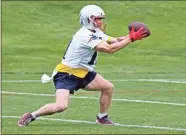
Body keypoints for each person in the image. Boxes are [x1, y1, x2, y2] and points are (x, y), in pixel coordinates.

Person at [17, 4, 147, 127]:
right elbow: (109, 49)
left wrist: (130, 36)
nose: (100, 22)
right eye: (97, 19)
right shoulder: (84, 35)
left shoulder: (95, 31)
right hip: (67, 74)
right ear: (89, 19)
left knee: (108, 88)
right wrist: (130, 39)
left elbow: (114, 40)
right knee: (61, 106)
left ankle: (102, 118)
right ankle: (31, 115)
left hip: (84, 72)